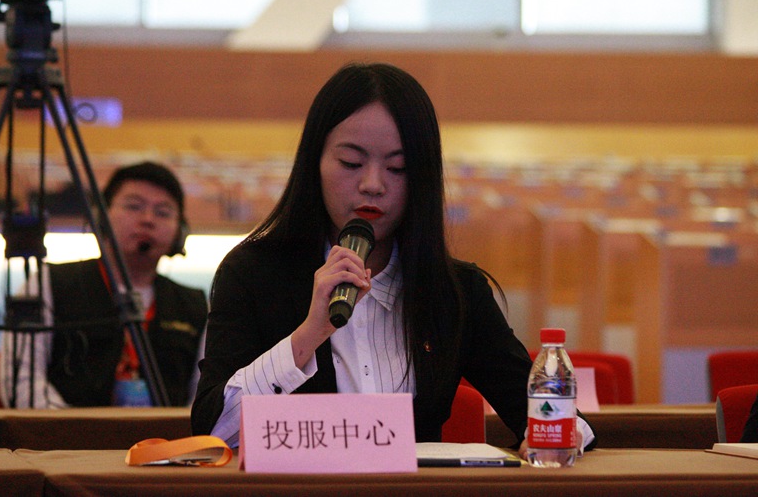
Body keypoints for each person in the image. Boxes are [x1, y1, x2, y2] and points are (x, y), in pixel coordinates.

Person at [191, 63, 596, 457]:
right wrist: (309, 335)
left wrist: (554, 438)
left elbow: (559, 418)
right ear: (314, 164)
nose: (373, 184)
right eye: (351, 163)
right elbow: (213, 432)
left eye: (398, 168)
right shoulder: (252, 275)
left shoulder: (455, 292)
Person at [0, 161, 208, 408]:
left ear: (180, 232)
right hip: (66, 432)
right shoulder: (47, 283)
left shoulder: (196, 305)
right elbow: (21, 380)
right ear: (101, 218)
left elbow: (204, 394)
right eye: (134, 206)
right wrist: (77, 428)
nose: (148, 220)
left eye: (163, 212)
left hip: (168, 434)